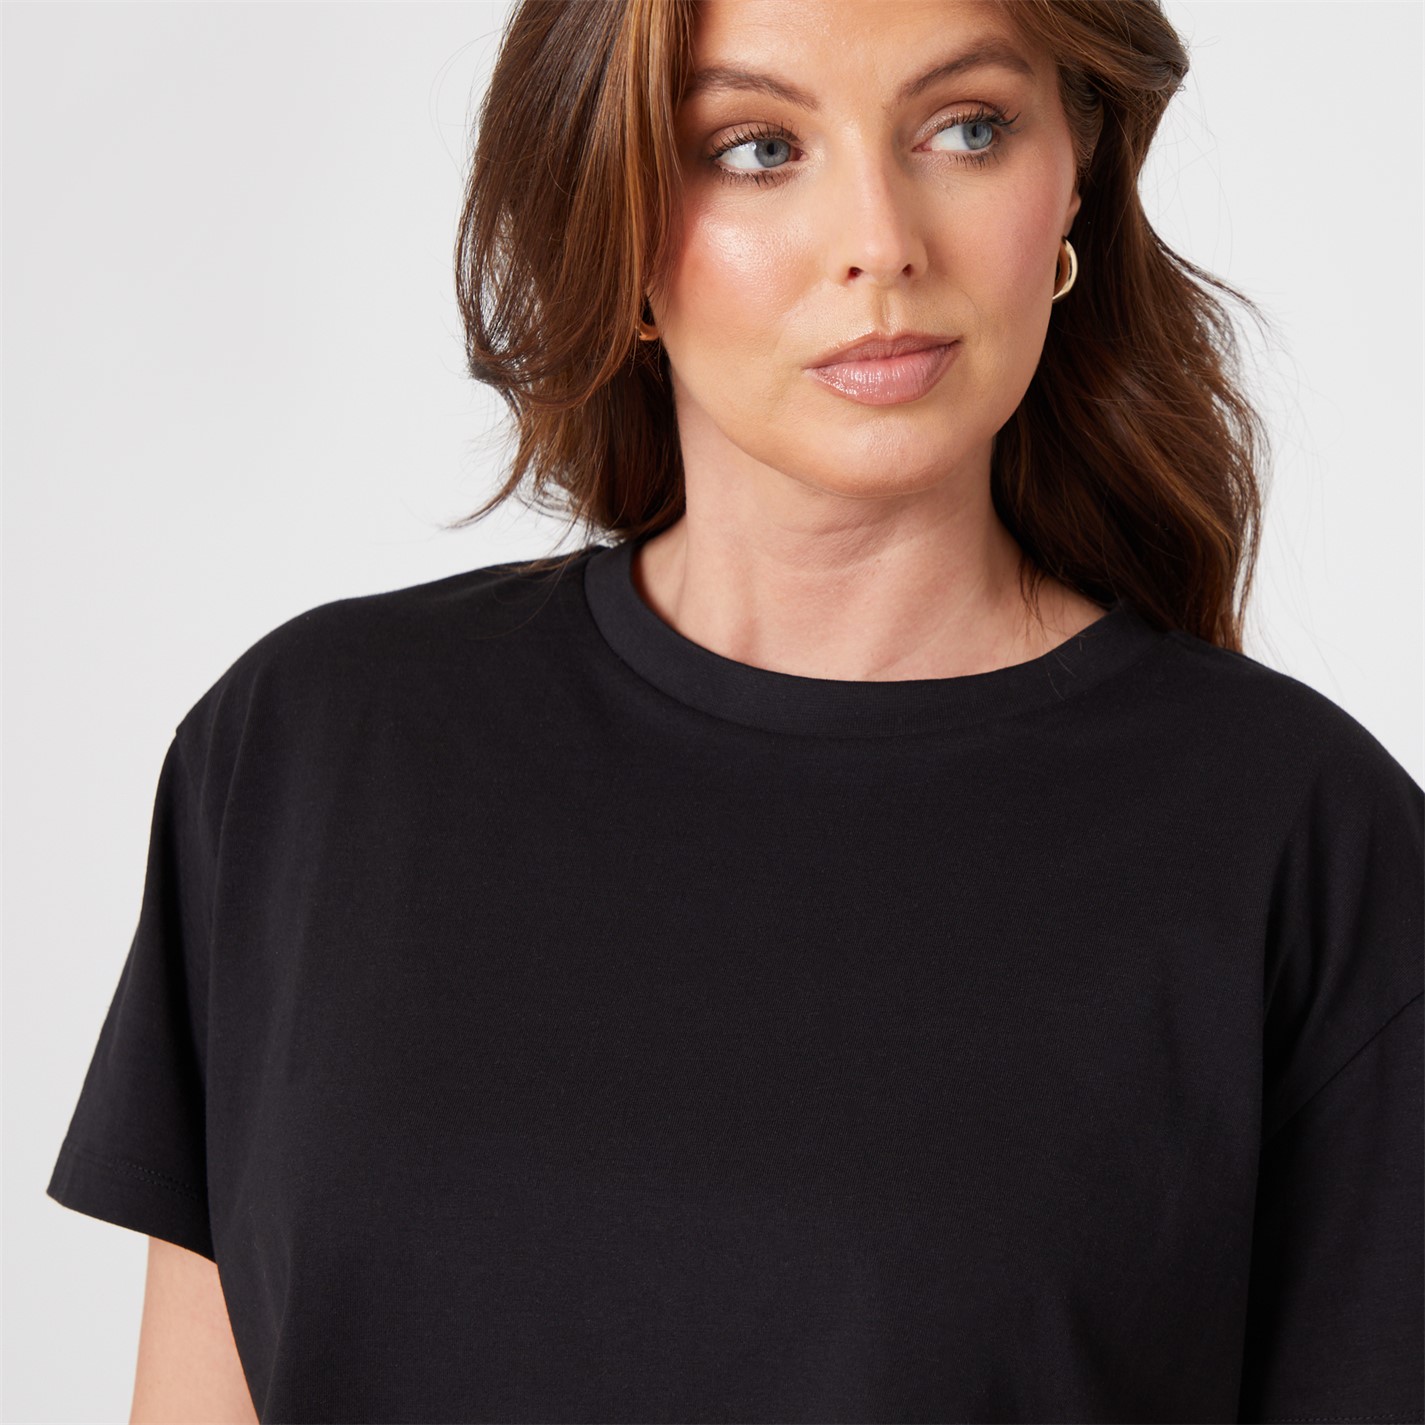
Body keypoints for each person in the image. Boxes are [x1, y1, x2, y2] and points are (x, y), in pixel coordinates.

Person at [47, 1, 1423, 1422]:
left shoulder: (1300, 840)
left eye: (966, 128)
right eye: (756, 147)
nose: (880, 242)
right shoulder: (305, 754)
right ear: (611, 216)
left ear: (1076, 176)